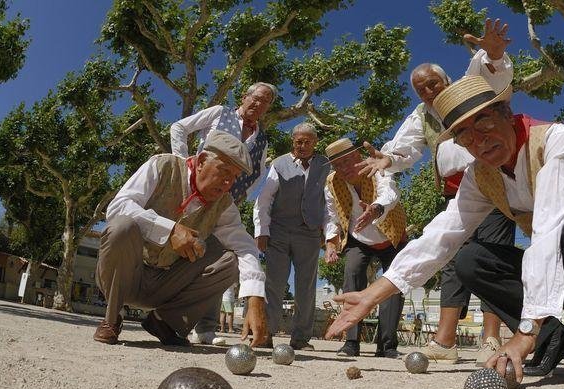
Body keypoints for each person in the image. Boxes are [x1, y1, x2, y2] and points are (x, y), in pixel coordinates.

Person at [327, 75, 564, 384]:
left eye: (485, 124)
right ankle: (553, 338)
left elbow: (548, 231)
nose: (480, 141)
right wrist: (372, 294)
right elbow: (442, 236)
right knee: (471, 259)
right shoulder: (480, 174)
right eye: (465, 136)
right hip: (557, 281)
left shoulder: (556, 140)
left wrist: (525, 331)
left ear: (505, 113)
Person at [356, 18, 514, 366]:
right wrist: (389, 159)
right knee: (452, 262)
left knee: (494, 256)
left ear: (446, 80)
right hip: (455, 193)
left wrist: (494, 55)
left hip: (496, 184)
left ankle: (491, 338)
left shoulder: (471, 87)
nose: (428, 91)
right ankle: (445, 340)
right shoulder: (420, 116)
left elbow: (491, 73)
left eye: (432, 84)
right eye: (421, 89)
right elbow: (405, 148)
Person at [93, 129, 268, 347]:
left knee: (229, 261)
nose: (227, 184)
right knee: (122, 226)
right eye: (224, 172)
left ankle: (165, 322)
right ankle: (113, 317)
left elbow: (245, 247)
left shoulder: (224, 204)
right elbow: (117, 207)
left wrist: (255, 297)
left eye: (233, 178)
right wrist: (169, 231)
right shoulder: (162, 166)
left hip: (166, 285)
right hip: (126, 277)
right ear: (202, 161)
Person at [170, 81, 277, 345]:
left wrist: (240, 196)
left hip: (224, 203)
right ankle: (171, 319)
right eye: (257, 98)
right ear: (245, 96)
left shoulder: (261, 139)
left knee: (218, 257)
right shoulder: (219, 113)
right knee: (183, 250)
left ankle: (206, 327)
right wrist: (182, 165)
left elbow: (258, 172)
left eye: (266, 102)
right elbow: (179, 127)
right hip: (194, 192)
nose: (259, 105)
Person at [323, 137, 407, 358]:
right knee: (352, 272)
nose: (344, 168)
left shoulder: (377, 168)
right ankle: (351, 343)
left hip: (392, 236)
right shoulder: (331, 183)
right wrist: (331, 243)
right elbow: (331, 217)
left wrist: (376, 209)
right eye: (338, 165)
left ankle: (387, 346)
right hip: (358, 238)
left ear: (358, 157)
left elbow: (391, 193)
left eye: (348, 160)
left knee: (393, 284)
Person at [253, 122, 331, 350]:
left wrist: (329, 235)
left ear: (315, 143)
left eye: (308, 141)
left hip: (309, 233)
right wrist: (262, 231)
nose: (303, 145)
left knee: (306, 286)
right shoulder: (278, 164)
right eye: (299, 141)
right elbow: (264, 200)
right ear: (293, 142)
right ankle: (266, 334)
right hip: (278, 231)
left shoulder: (325, 166)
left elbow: (328, 204)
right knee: (274, 283)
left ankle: (300, 338)